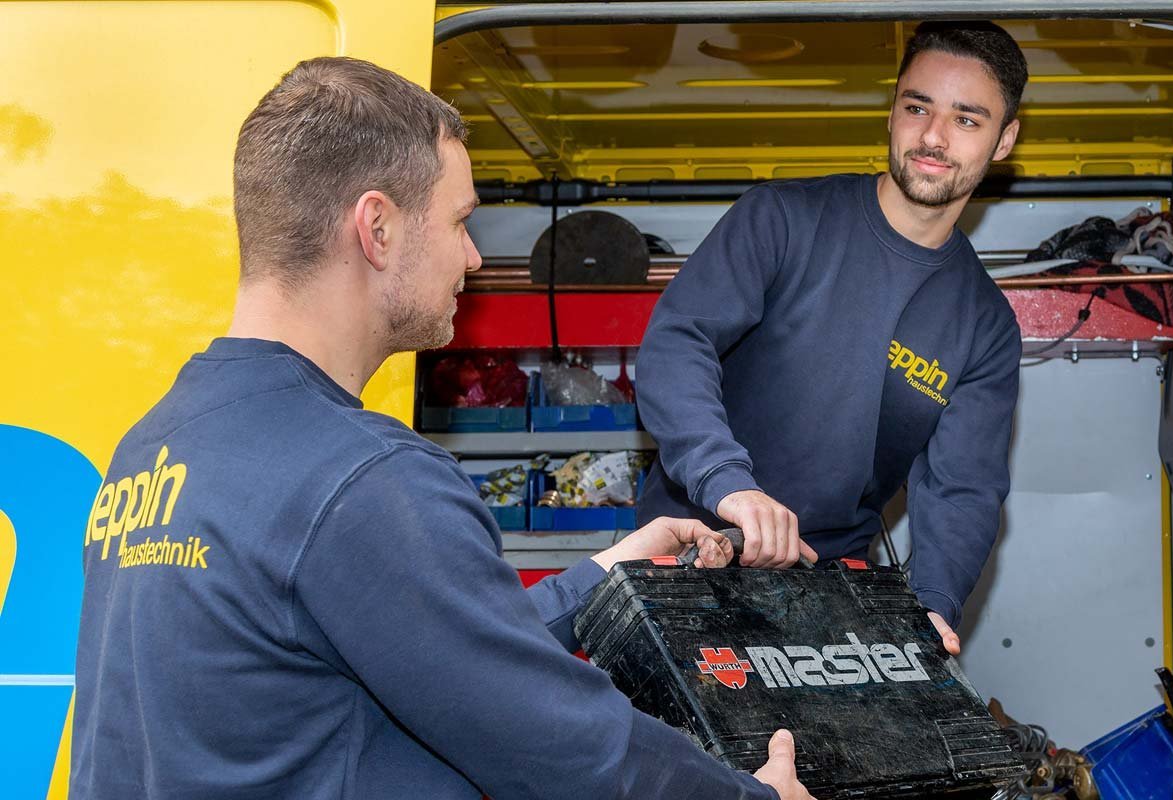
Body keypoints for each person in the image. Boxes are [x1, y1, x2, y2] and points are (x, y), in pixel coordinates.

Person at [71, 56, 812, 800]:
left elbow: (427, 651)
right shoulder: (362, 479)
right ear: (378, 228)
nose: (475, 256)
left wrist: (606, 577)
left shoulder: (155, 446)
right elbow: (567, 747)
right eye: (460, 220)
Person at [636, 21, 1027, 654]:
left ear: (1004, 139)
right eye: (917, 107)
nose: (932, 136)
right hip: (690, 547)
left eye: (966, 120)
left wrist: (931, 605)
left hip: (828, 588)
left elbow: (965, 486)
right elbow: (680, 342)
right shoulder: (782, 220)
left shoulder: (983, 324)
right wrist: (728, 484)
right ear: (893, 109)